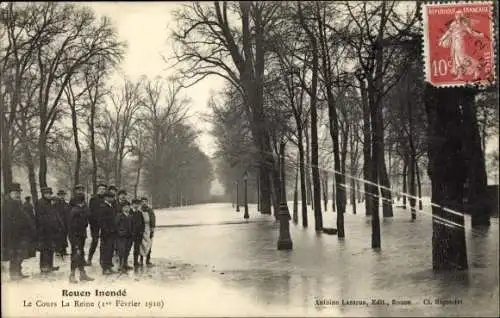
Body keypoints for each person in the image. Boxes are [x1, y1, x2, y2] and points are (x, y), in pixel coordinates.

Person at [2, 183, 37, 280]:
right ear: (10, 194)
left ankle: (18, 272)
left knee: (20, 254)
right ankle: (14, 274)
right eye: (15, 193)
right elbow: (7, 222)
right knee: (14, 255)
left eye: (18, 193)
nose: (17, 194)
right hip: (13, 235)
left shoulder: (18, 203)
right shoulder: (8, 205)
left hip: (21, 234)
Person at [438, 10, 485, 80]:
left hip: (459, 42)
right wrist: (441, 39)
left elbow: (471, 32)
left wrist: (479, 35)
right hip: (454, 43)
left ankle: (476, 69)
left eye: (458, 15)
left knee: (462, 58)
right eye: (456, 14)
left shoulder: (463, 24)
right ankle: (460, 75)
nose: (456, 16)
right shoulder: (453, 24)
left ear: (461, 16)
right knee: (456, 58)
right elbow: (448, 32)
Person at [67, 193, 94, 283]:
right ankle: (72, 275)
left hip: (81, 235)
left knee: (81, 254)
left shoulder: (81, 210)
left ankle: (82, 274)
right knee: (76, 254)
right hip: (75, 236)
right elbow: (71, 226)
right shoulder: (75, 211)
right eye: (83, 202)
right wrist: (74, 240)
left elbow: (86, 221)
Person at [35, 187, 61, 273]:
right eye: (47, 193)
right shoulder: (40, 202)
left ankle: (50, 265)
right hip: (44, 230)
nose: (49, 195)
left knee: (51, 248)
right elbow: (40, 217)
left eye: (50, 193)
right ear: (43, 194)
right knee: (45, 249)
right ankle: (44, 267)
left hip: (51, 229)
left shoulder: (49, 202)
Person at [86, 183, 107, 266]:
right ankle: (89, 259)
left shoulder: (107, 199)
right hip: (95, 224)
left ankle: (102, 259)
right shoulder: (93, 199)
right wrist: (91, 223)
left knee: (104, 242)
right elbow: (90, 212)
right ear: (98, 190)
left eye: (104, 189)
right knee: (94, 241)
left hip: (104, 224)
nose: (102, 190)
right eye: (101, 189)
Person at [99, 191, 117, 275]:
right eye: (110, 197)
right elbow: (102, 221)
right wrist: (106, 231)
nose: (112, 199)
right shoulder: (102, 207)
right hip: (106, 233)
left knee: (110, 250)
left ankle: (109, 266)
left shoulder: (111, 206)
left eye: (112, 197)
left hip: (112, 232)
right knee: (105, 251)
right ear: (105, 198)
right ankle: (104, 268)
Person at [115, 201, 133, 273]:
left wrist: (132, 233)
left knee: (127, 250)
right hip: (121, 237)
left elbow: (132, 225)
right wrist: (120, 232)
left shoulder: (130, 216)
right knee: (121, 251)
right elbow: (116, 225)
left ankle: (125, 264)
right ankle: (120, 265)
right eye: (125, 207)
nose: (127, 208)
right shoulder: (119, 216)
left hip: (129, 236)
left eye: (128, 207)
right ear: (122, 208)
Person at [138, 197, 154, 267]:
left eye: (145, 201)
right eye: (142, 201)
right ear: (141, 203)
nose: (144, 203)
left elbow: (153, 220)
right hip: (141, 229)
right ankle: (141, 259)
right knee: (141, 244)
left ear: (147, 202)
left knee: (149, 244)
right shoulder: (139, 210)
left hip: (148, 228)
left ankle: (148, 259)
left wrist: (152, 230)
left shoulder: (150, 210)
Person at [54, 190, 70, 257]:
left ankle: (64, 250)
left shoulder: (66, 204)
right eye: (60, 195)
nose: (62, 196)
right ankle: (57, 250)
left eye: (63, 195)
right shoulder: (55, 204)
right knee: (58, 237)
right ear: (58, 195)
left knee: (64, 236)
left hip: (65, 222)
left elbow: (68, 213)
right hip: (58, 223)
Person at [130, 198, 145, 270]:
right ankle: (124, 263)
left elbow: (143, 223)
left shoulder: (139, 213)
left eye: (137, 204)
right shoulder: (129, 212)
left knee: (137, 248)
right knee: (127, 248)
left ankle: (135, 262)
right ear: (132, 205)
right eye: (134, 204)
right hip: (130, 234)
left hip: (138, 234)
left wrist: (141, 231)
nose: (136, 206)